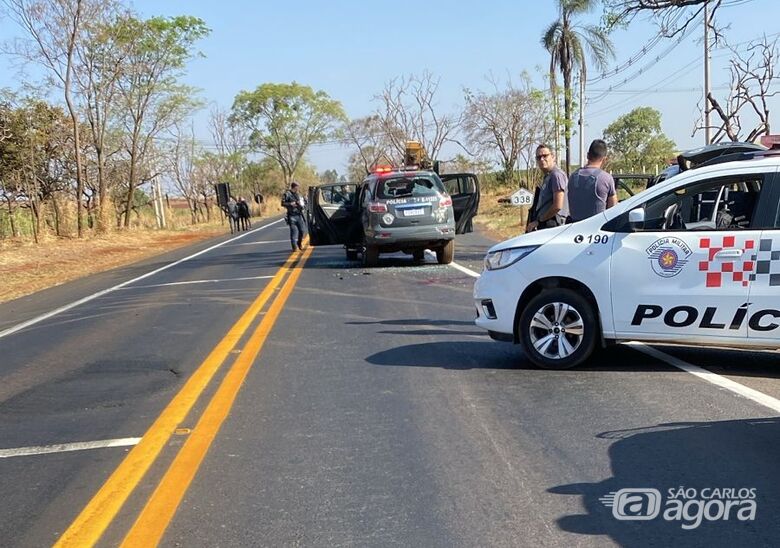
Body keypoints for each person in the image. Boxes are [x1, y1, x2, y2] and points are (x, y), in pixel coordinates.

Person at [566, 139, 618, 223]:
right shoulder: (606, 178)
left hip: (574, 229)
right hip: (597, 229)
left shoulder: (572, 177)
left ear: (587, 155)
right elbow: (613, 209)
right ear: (605, 159)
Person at [526, 144, 568, 232]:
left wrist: (539, 221)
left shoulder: (556, 175)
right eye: (538, 157)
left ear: (553, 157)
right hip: (546, 225)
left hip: (554, 226)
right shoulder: (547, 177)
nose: (542, 159)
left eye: (545, 156)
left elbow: (558, 206)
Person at [281, 181, 307, 251]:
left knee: (302, 230)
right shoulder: (287, 194)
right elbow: (282, 203)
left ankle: (299, 243)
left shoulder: (298, 194)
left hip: (299, 215)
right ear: (294, 187)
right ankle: (294, 247)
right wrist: (290, 204)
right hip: (291, 216)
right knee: (293, 232)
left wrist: (301, 204)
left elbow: (301, 203)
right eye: (297, 186)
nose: (298, 188)